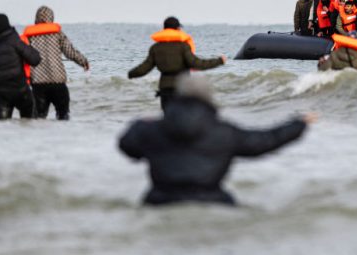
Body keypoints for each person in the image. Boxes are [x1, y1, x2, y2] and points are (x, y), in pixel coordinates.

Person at [119, 74, 313, 206]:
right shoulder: (224, 132)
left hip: (160, 202)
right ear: (209, 98)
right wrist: (299, 124)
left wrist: (139, 124)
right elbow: (264, 141)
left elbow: (127, 145)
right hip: (212, 202)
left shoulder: (152, 130)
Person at [128, 17, 226, 109]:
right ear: (177, 29)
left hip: (165, 89)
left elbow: (145, 68)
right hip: (182, 88)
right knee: (182, 120)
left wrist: (131, 73)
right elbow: (197, 64)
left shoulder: (156, 48)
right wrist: (219, 61)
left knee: (168, 120)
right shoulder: (183, 46)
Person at [22, 6, 90, 120]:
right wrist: (84, 62)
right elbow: (70, 52)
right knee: (63, 116)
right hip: (58, 82)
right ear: (51, 18)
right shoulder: (58, 34)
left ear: (36, 19)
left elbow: (22, 56)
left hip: (38, 84)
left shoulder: (29, 36)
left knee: (38, 118)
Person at [0, 14, 41, 120]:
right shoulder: (14, 41)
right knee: (30, 126)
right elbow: (35, 60)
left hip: (1, 94)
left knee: (1, 130)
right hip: (22, 91)